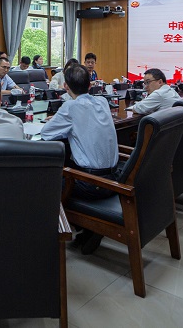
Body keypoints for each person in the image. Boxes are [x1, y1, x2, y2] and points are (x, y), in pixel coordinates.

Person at [41, 64, 118, 254]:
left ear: (65, 86)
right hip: (114, 178)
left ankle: (52, 238)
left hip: (91, 184)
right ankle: (87, 230)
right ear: (90, 85)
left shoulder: (70, 106)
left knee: (46, 182)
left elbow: (46, 134)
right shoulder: (102, 101)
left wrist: (60, 121)